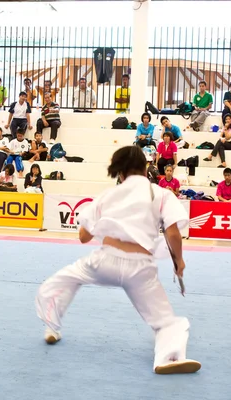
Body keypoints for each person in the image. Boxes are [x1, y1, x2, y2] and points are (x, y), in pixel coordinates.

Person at [35, 145, 201, 375]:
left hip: (105, 262)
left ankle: (52, 327)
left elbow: (84, 237)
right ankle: (168, 358)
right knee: (166, 322)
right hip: (141, 270)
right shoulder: (160, 193)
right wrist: (179, 262)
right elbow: (172, 233)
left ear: (120, 173)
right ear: (146, 168)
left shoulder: (108, 196)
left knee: (62, 282)